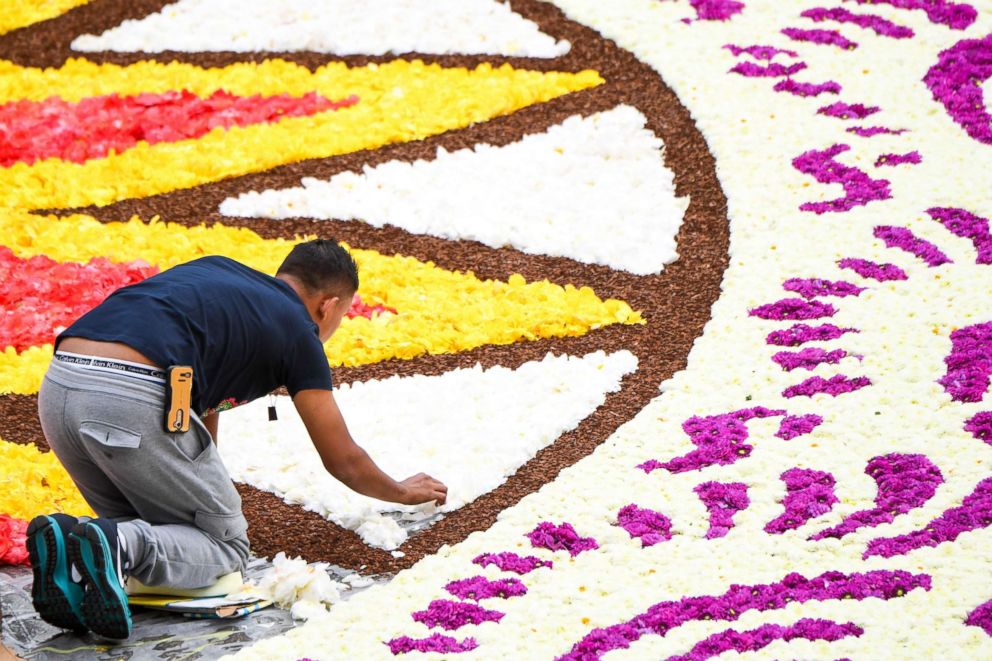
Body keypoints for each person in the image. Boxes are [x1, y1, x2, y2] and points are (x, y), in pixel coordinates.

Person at [26, 239, 447, 639]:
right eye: (341, 316)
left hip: (60, 385)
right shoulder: (299, 331)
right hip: (129, 399)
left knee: (161, 530)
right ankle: (118, 543)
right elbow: (342, 459)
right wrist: (401, 492)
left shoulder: (220, 273)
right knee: (223, 547)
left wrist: (199, 484)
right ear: (328, 305)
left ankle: (74, 544)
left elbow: (201, 401)